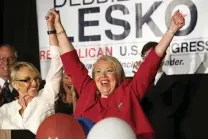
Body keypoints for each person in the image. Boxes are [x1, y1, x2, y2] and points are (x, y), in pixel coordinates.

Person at [48, 8, 185, 138]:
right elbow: (71, 61)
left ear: (117, 76)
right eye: (99, 72)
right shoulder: (87, 90)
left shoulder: (129, 91)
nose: (103, 76)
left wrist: (171, 30)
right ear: (94, 77)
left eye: (109, 71)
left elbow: (151, 62)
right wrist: (58, 26)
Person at [0, 11, 63, 134]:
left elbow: (57, 62)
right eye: (27, 80)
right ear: (15, 84)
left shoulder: (45, 99)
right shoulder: (4, 110)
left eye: (36, 79)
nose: (34, 84)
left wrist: (51, 28)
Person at [138, 41, 189, 138]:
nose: (150, 61)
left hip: (163, 134)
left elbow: (168, 110)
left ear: (163, 56)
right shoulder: (138, 83)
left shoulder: (175, 82)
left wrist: (148, 82)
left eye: (153, 56)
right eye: (146, 57)